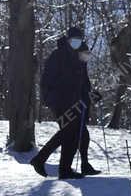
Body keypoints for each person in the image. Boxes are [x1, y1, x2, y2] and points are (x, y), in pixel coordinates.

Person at [29, 26, 102, 179]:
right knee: (69, 132)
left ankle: (71, 168)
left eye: (79, 40)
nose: (76, 42)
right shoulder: (58, 55)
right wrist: (51, 98)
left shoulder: (80, 56)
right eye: (73, 40)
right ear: (68, 40)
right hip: (60, 101)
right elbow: (47, 80)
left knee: (79, 134)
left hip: (77, 101)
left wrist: (91, 95)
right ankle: (41, 160)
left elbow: (83, 80)